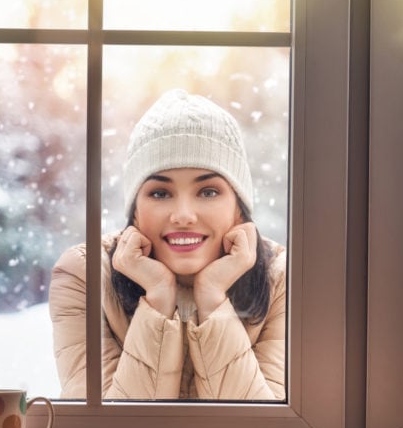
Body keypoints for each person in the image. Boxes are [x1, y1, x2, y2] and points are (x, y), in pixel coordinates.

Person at [50, 89, 286, 400]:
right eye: (160, 193)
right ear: (135, 209)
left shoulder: (283, 280)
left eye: (208, 192)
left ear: (239, 207)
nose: (184, 216)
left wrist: (213, 297)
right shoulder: (85, 275)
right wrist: (158, 296)